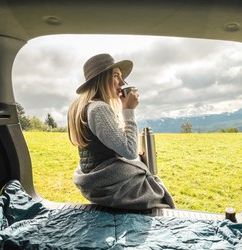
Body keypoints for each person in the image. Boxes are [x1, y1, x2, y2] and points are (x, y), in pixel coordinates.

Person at [68, 53, 175, 210]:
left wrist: (138, 158)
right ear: (102, 79)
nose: (123, 82)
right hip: (110, 187)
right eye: (116, 76)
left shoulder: (82, 107)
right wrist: (128, 110)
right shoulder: (99, 109)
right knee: (161, 198)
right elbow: (129, 151)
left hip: (98, 185)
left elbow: (103, 151)